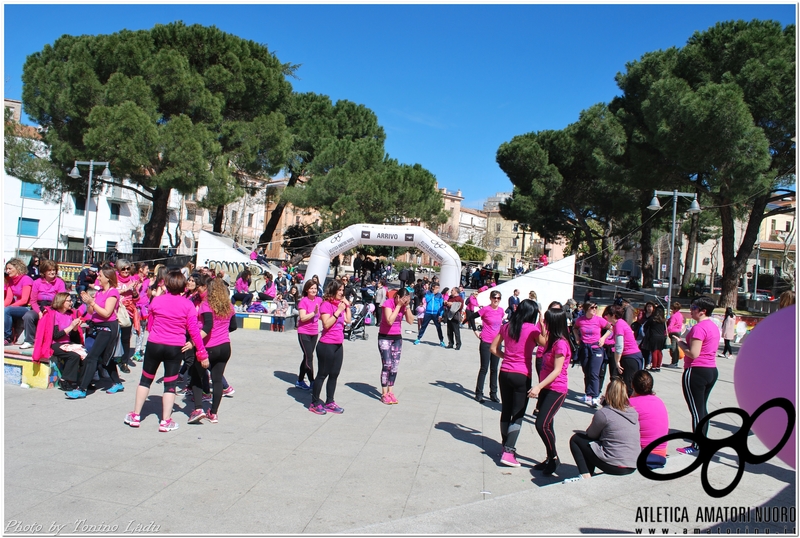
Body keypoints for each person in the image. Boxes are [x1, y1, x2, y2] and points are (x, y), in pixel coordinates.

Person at [124, 269, 208, 431]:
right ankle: (165, 421)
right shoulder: (188, 304)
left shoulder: (156, 301)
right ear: (183, 287)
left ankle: (135, 415)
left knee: (145, 380)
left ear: (167, 285)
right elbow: (194, 331)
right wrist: (201, 352)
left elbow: (150, 325)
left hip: (155, 344)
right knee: (170, 384)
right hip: (175, 347)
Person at [490, 299, 540, 467]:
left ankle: (505, 444)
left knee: (506, 410)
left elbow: (493, 348)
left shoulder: (507, 326)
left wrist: (507, 357)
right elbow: (545, 343)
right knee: (518, 414)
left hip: (505, 372)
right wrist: (542, 322)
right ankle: (509, 451)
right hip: (522, 374)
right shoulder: (533, 329)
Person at [565, 379, 640, 483]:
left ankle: (585, 474)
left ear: (608, 394)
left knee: (577, 439)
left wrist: (604, 406)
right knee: (596, 444)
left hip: (615, 465)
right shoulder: (633, 413)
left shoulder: (604, 413)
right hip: (632, 464)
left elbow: (591, 434)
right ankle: (588, 473)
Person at [67, 267, 125, 398]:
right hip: (98, 327)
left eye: (100, 276)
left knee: (92, 357)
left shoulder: (113, 292)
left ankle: (82, 388)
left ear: (108, 278)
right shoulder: (99, 293)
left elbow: (106, 313)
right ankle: (117, 382)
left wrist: (92, 302)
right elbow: (92, 312)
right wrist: (88, 302)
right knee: (106, 358)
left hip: (108, 328)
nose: (98, 278)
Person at [529, 303, 571, 476]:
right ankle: (549, 457)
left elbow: (557, 370)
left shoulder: (561, 344)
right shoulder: (551, 339)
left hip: (556, 389)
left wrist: (538, 387)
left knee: (541, 424)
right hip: (546, 388)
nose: (544, 323)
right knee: (548, 424)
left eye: (546, 321)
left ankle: (554, 458)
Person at [675, 296, 720, 455]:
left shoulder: (699, 328)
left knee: (696, 410)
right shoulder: (713, 326)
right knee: (701, 408)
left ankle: (697, 445)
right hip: (710, 370)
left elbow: (694, 353)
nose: (691, 309)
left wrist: (679, 342)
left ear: (703, 311)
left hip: (696, 370)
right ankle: (702, 440)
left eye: (694, 307)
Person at [187, 277, 235, 424]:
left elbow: (207, 327)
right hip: (225, 347)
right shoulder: (229, 306)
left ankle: (198, 409)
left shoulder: (206, 305)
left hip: (209, 347)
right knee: (217, 379)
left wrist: (193, 342)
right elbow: (233, 327)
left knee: (196, 376)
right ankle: (213, 413)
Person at [308, 280, 351, 415]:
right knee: (322, 374)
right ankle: (314, 403)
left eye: (342, 290)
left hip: (338, 344)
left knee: (334, 374)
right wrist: (338, 311)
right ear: (332, 291)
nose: (341, 293)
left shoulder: (340, 305)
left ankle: (330, 402)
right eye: (339, 290)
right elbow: (326, 324)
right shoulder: (326, 305)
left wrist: (347, 307)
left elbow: (348, 320)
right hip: (326, 345)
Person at [33, 292, 84, 391]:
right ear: (61, 302)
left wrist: (75, 328)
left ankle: (83, 381)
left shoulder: (70, 314)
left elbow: (74, 338)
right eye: (69, 301)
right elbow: (55, 336)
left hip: (68, 343)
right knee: (73, 356)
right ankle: (65, 380)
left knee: (84, 354)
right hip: (54, 344)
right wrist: (71, 326)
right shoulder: (53, 315)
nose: (71, 302)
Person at [377, 286, 415, 404]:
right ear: (397, 296)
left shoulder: (404, 306)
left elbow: (410, 321)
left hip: (397, 338)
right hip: (385, 337)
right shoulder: (388, 303)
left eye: (405, 299)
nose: (403, 301)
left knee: (394, 366)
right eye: (402, 299)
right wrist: (398, 306)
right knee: (387, 364)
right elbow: (389, 320)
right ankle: (384, 393)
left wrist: (407, 306)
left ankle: (390, 391)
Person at [572, 301, 613, 407]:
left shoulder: (599, 320)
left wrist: (603, 338)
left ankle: (595, 396)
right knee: (586, 371)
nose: (595, 309)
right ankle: (588, 394)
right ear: (586, 309)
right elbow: (575, 328)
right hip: (585, 348)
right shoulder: (580, 320)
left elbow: (610, 328)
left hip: (596, 348)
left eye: (596, 307)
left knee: (594, 373)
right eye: (592, 307)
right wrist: (577, 337)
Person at [21, 259, 66, 350]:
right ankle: (29, 341)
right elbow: (33, 301)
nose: (52, 272)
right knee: (28, 316)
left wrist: (49, 309)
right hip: (39, 306)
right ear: (44, 272)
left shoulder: (59, 283)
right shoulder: (37, 282)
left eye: (53, 270)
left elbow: (61, 299)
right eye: (49, 270)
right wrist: (39, 312)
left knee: (49, 317)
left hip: (54, 307)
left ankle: (49, 341)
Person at [629, 370, 669, 469]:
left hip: (644, 454)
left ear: (632, 385)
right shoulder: (658, 401)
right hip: (661, 453)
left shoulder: (630, 404)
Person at [603, 304, 644, 396]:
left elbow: (619, 346)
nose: (606, 317)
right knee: (627, 383)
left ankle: (628, 406)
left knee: (628, 385)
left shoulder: (619, 325)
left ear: (613, 315)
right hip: (633, 356)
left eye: (607, 314)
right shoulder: (620, 323)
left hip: (630, 357)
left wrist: (617, 361)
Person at [475, 290, 505, 403]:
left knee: (494, 369)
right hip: (486, 342)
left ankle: (493, 393)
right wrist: (475, 331)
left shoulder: (501, 311)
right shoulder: (485, 309)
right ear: (490, 298)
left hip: (497, 343)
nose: (496, 300)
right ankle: (479, 393)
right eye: (494, 297)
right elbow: (471, 315)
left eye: (498, 298)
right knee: (484, 368)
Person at [296, 280, 322, 391]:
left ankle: (300, 380)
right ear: (306, 289)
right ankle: (312, 381)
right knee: (309, 357)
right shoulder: (303, 301)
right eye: (311, 288)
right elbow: (302, 318)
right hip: (304, 332)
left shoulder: (319, 300)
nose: (313, 290)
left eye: (315, 288)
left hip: (314, 332)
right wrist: (313, 313)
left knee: (307, 357)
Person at [115, 259, 139, 374]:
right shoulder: (114, 279)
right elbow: (111, 293)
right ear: (118, 269)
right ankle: (113, 358)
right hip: (115, 310)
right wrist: (126, 289)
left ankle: (124, 361)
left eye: (128, 269)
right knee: (114, 336)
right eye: (123, 269)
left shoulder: (133, 280)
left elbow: (136, 298)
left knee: (125, 337)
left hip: (127, 311)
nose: (126, 271)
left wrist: (134, 291)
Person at [5, 258, 34, 346]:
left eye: (10, 268)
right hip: (18, 307)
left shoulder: (26, 279)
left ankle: (7, 337)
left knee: (7, 310)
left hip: (28, 307)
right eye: (6, 269)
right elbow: (8, 299)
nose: (7, 271)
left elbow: (24, 300)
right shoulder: (11, 281)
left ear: (17, 268)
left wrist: (8, 308)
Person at [132, 262, 151, 362]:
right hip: (133, 308)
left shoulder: (147, 280)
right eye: (146, 269)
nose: (148, 271)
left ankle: (137, 352)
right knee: (129, 331)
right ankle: (121, 354)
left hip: (144, 309)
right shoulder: (133, 279)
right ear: (140, 270)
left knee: (141, 331)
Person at [641, 305, 667, 371]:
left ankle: (654, 366)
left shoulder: (652, 319)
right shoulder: (663, 320)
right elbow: (664, 329)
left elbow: (646, 325)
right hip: (661, 337)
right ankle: (658, 366)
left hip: (654, 336)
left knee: (654, 351)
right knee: (659, 351)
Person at [665, 302, 685, 368]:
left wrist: (666, 331)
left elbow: (670, 326)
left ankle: (673, 362)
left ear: (674, 309)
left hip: (673, 332)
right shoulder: (680, 315)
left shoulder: (674, 316)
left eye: (672, 308)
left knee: (673, 348)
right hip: (678, 332)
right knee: (676, 348)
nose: (671, 310)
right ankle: (675, 362)